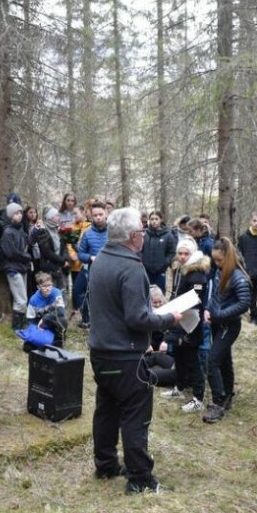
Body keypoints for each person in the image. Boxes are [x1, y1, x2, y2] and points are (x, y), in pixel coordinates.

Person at [86, 207, 182, 495]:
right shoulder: (130, 266)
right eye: (140, 231)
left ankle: (105, 464)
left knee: (107, 409)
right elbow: (137, 319)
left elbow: (118, 306)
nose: (143, 235)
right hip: (124, 355)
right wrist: (168, 318)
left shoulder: (102, 259)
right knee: (135, 415)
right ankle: (140, 478)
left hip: (101, 352)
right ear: (132, 237)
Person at [202, 237, 251, 423]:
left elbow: (244, 303)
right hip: (216, 323)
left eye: (219, 260)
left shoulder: (238, 276)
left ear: (228, 257)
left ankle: (218, 402)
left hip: (228, 326)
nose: (216, 263)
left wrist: (221, 315)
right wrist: (208, 308)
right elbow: (215, 295)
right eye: (214, 259)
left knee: (212, 361)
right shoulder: (220, 272)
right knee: (224, 360)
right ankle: (228, 394)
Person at [161, 237, 211, 413]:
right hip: (179, 319)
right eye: (180, 253)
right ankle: (179, 388)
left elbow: (195, 300)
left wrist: (175, 308)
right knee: (179, 355)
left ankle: (198, 397)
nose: (182, 256)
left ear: (192, 253)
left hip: (191, 322)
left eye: (186, 253)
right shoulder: (182, 270)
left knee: (192, 359)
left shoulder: (197, 273)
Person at [76, 202, 109, 328]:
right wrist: (90, 258)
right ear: (91, 216)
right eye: (95, 215)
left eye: (101, 214)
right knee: (90, 296)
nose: (98, 217)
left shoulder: (113, 232)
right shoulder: (87, 234)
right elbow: (81, 254)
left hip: (110, 271)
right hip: (93, 271)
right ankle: (89, 320)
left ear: (106, 213)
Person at [0, 201, 32, 330]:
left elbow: (27, 244)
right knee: (21, 299)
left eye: (20, 213)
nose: (19, 215)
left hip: (21, 267)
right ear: (10, 215)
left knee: (20, 298)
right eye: (16, 213)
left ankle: (19, 324)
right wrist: (27, 257)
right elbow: (11, 252)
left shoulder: (21, 230)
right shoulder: (8, 232)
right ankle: (18, 326)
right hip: (13, 268)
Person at [26, 272, 68, 346]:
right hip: (39, 325)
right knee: (28, 346)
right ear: (39, 287)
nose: (48, 288)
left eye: (49, 285)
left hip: (51, 321)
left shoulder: (57, 293)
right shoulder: (33, 300)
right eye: (44, 286)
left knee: (63, 320)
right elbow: (30, 319)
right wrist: (37, 330)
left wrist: (45, 319)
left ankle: (59, 342)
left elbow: (61, 311)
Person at [141, 210, 177, 293]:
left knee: (159, 295)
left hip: (160, 272)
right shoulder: (144, 234)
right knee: (146, 294)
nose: (154, 221)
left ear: (161, 220)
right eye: (152, 219)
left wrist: (165, 263)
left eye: (156, 219)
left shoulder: (168, 235)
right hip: (146, 271)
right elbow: (139, 249)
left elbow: (172, 252)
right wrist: (142, 260)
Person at [33, 207, 68, 288]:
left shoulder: (59, 230)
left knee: (62, 292)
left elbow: (64, 247)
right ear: (50, 217)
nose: (58, 217)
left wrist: (65, 259)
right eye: (56, 216)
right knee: (50, 292)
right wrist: (62, 261)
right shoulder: (42, 231)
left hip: (60, 267)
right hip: (49, 268)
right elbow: (46, 252)